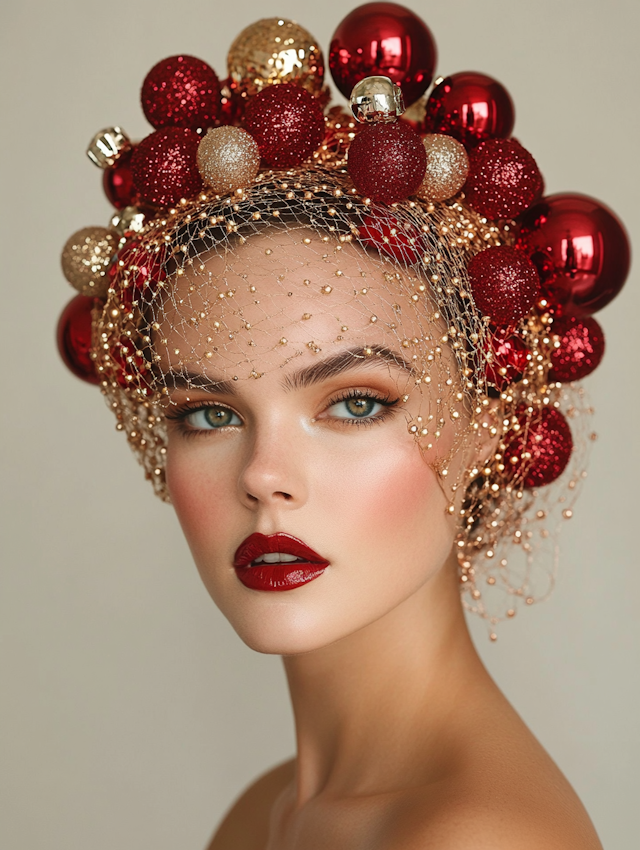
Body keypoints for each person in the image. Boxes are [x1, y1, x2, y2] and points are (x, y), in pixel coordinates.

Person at [57, 5, 629, 847]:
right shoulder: (267, 816)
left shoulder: (477, 837)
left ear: (492, 425)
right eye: (208, 414)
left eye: (355, 402)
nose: (262, 474)